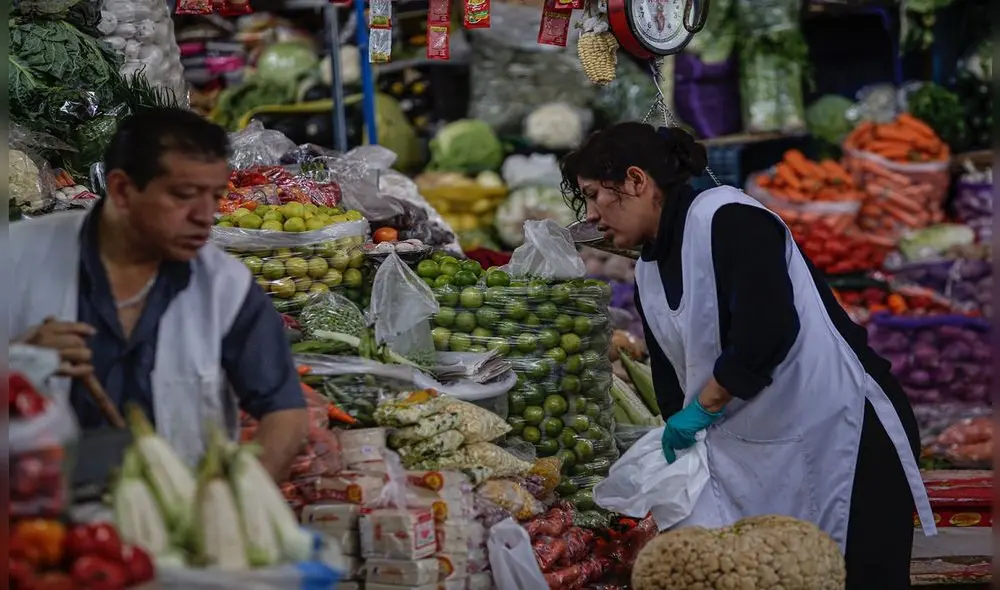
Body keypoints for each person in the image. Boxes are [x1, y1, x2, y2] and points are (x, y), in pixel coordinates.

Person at [559, 122, 934, 589]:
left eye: (595, 195)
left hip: (848, 434)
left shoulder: (729, 218)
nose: (593, 215)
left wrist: (702, 409)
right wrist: (677, 433)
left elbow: (768, 331)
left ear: (636, 180)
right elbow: (674, 381)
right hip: (774, 449)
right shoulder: (649, 274)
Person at [9, 107, 309, 480]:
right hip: (35, 506)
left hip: (185, 506)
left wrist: (241, 502)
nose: (205, 215)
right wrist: (16, 362)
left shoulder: (225, 285)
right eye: (184, 195)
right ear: (122, 190)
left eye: (215, 195)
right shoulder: (15, 258)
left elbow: (285, 411)